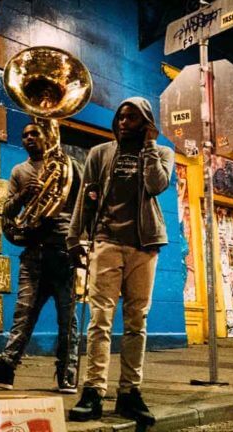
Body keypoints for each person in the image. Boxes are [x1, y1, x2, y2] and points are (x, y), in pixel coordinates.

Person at [66, 97, 173, 425]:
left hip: (144, 245)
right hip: (107, 242)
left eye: (132, 118)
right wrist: (75, 238)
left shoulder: (162, 153)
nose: (124, 123)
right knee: (100, 319)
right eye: (121, 118)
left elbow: (157, 185)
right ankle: (93, 391)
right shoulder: (100, 153)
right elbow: (86, 196)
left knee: (136, 322)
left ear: (146, 123)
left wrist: (151, 145)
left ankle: (129, 392)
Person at [0, 122, 82, 393]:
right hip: (34, 253)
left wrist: (83, 242)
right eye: (25, 134)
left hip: (63, 251)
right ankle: (6, 370)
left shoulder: (71, 166)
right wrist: (24, 194)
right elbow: (6, 211)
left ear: (48, 137)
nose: (29, 138)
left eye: (35, 134)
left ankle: (67, 373)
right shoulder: (19, 171)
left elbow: (84, 206)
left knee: (68, 318)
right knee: (23, 314)